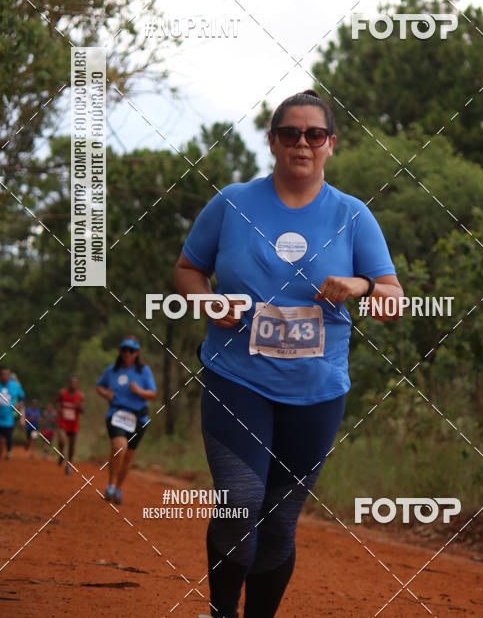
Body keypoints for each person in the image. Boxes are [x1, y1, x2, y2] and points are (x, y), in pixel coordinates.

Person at [174, 90, 404, 618]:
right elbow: (187, 269)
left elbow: (393, 297)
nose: (303, 143)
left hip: (316, 391)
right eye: (290, 133)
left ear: (330, 145)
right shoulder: (232, 203)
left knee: (278, 520)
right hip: (237, 377)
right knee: (239, 499)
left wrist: (362, 285)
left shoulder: (353, 215)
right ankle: (222, 612)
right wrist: (208, 302)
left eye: (314, 134)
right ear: (273, 141)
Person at [96, 337, 157, 504]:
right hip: (117, 414)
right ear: (120, 351)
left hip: (139, 418)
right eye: (124, 350)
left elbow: (153, 394)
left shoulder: (144, 371)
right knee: (119, 447)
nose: (127, 354)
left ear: (137, 353)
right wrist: (106, 394)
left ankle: (118, 489)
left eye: (131, 351)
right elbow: (99, 386)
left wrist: (139, 391)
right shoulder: (112, 370)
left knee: (129, 456)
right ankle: (110, 484)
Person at [56, 376, 85, 475]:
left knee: (72, 446)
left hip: (73, 424)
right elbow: (56, 402)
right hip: (63, 422)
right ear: (68, 383)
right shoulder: (62, 393)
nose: (73, 384)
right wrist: (59, 409)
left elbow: (83, 411)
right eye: (71, 382)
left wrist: (79, 406)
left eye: (75, 383)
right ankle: (61, 454)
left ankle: (69, 465)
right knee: (62, 440)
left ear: (77, 385)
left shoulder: (80, 396)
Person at [0, 366, 25, 460]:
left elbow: (22, 399)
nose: (5, 376)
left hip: (9, 419)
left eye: (7, 375)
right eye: (3, 374)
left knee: (8, 438)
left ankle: (9, 451)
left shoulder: (16, 386)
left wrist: (19, 405)